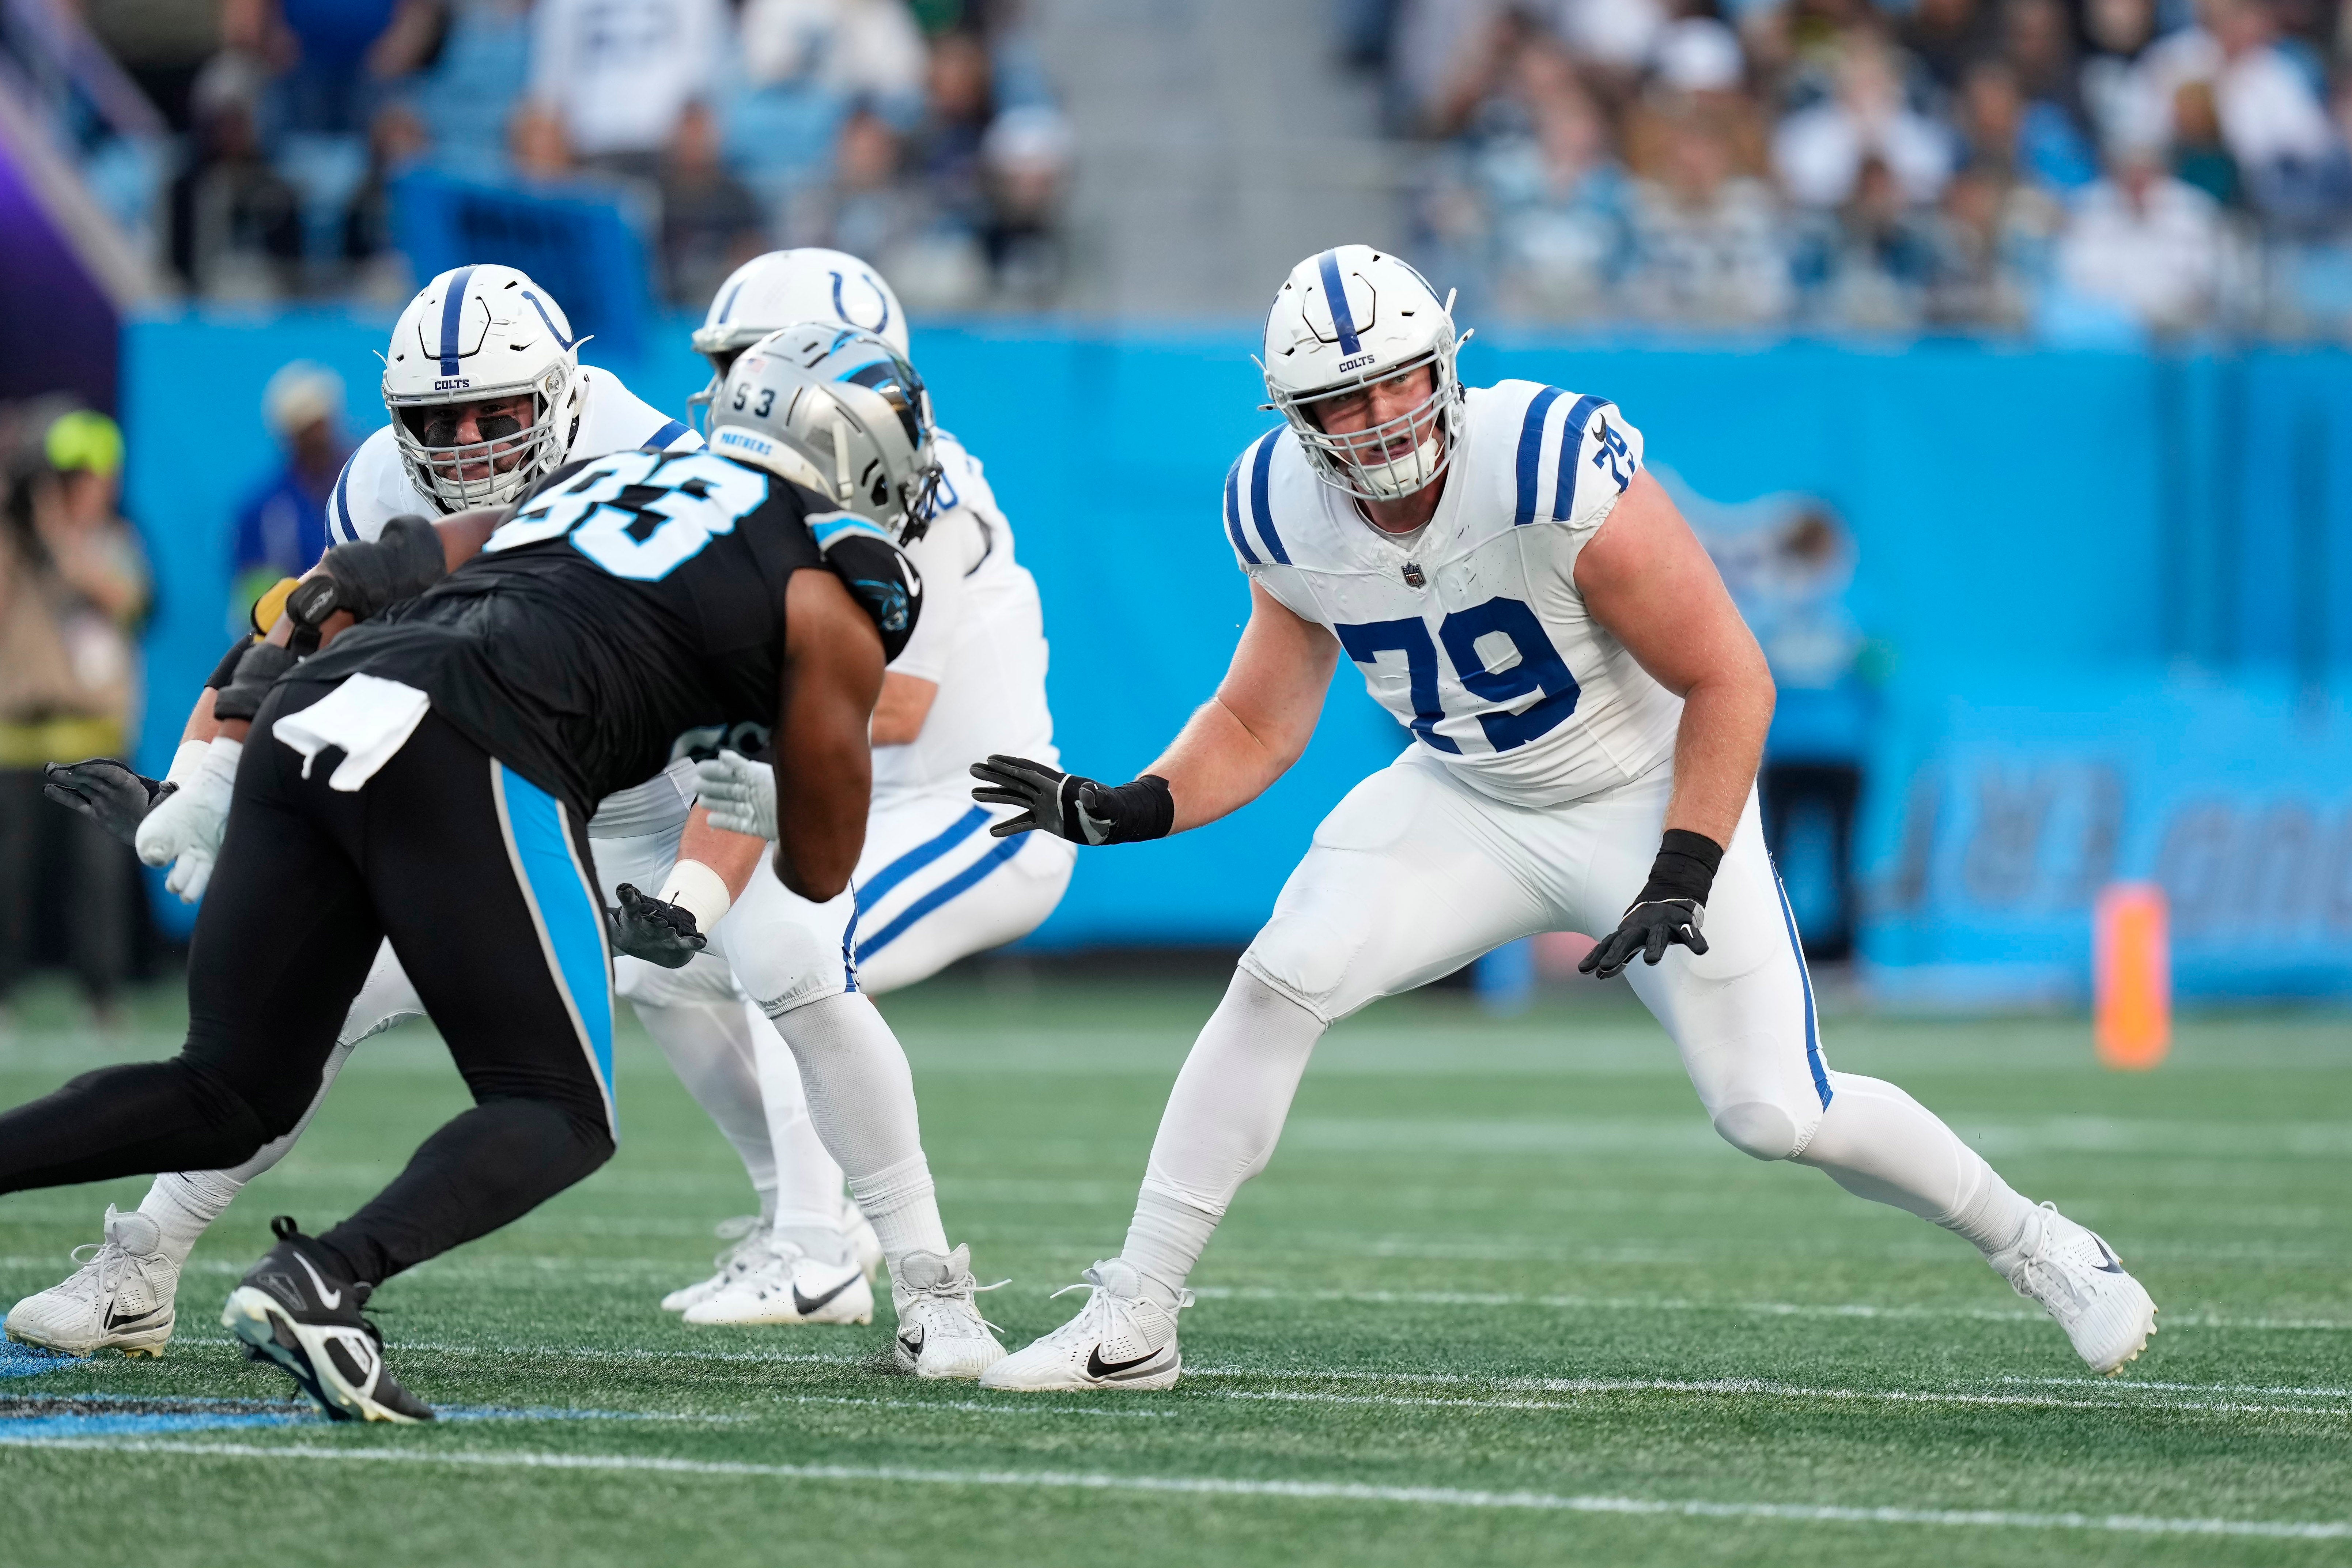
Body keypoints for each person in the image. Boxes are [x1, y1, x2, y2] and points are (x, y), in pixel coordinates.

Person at [970, 245, 2158, 1392]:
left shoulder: (1542, 457)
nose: (1381, 415)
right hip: (1469, 793)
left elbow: (1730, 675)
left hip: (1646, 792)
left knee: (1774, 1106)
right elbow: (1255, 718)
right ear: (1295, 414)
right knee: (1284, 972)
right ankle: (1135, 1311)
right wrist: (1128, 804)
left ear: (1444, 363)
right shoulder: (1278, 505)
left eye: (1396, 377)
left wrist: (1684, 862)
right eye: (1344, 397)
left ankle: (2034, 1237)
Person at [0, 330, 1002, 1421]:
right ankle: (322, 1280)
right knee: (559, 1108)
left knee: (229, 1090)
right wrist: (778, 781)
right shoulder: (836, 580)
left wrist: (218, 753)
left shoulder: (618, 473)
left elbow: (356, 578)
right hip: (475, 745)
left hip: (316, 713)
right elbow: (819, 867)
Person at [7, 264, 696, 1358]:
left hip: (664, 795)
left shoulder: (659, 468)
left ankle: (876, 1261)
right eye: (438, 418)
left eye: (495, 412)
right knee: (313, 1019)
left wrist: (705, 872)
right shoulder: (380, 480)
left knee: (781, 981)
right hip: (496, 785)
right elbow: (291, 634)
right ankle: (143, 1262)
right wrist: (203, 782)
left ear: (565, 391)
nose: (467, 441)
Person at [614, 248, 1071, 1329]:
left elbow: (896, 706)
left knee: (792, 948)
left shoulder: (921, 485)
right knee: (661, 975)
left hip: (978, 811)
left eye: (744, 367)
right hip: (846, 797)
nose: (724, 396)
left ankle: (823, 1248)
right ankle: (793, 1219)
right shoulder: (753, 491)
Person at [0, 410, 150, 1024]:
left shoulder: (115, 539)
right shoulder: (13, 543)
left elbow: (129, 600)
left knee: (98, 878)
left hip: (93, 736)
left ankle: (102, 995)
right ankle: (5, 990)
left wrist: (62, 535)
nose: (88, 487)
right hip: (17, 735)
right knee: (11, 877)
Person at [230, 362, 351, 630]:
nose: (320, 437)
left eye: (323, 424)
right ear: (290, 437)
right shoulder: (262, 511)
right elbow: (258, 603)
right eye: (309, 429)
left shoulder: (362, 484)